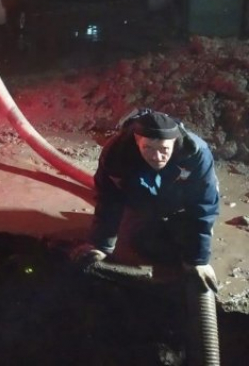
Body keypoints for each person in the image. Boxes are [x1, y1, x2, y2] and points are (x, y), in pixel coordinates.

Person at [76, 108, 220, 291]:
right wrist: (100, 244)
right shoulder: (117, 153)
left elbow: (204, 205)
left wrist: (198, 259)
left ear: (174, 142)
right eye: (148, 148)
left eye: (163, 149)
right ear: (137, 141)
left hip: (180, 196)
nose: (157, 156)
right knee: (141, 238)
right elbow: (108, 198)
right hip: (143, 192)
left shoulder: (195, 153)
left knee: (186, 233)